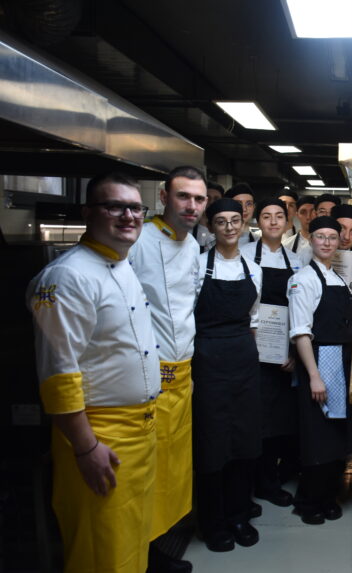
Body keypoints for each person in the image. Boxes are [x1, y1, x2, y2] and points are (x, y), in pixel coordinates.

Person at [28, 172, 161, 572]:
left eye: (135, 207)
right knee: (100, 550)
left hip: (139, 432)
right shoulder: (68, 276)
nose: (128, 216)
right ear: (88, 213)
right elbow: (59, 374)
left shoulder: (121, 265)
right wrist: (86, 448)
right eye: (114, 207)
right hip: (101, 435)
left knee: (130, 541)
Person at [129, 165, 208, 573]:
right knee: (145, 471)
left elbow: (187, 307)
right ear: (164, 197)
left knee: (173, 470)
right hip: (144, 376)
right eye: (183, 196)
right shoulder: (138, 240)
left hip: (182, 374)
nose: (191, 205)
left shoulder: (192, 246)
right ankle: (141, 554)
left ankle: (163, 545)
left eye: (198, 199)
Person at [192, 198, 263, 552]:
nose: (230, 227)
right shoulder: (197, 266)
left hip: (243, 359)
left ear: (243, 223)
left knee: (244, 440)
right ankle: (213, 521)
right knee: (213, 441)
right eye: (221, 221)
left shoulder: (254, 269)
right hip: (207, 359)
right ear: (210, 226)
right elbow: (186, 317)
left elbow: (254, 320)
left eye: (235, 220)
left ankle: (239, 515)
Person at [288, 216, 352, 524]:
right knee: (317, 436)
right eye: (320, 236)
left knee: (336, 434)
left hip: (342, 360)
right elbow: (300, 332)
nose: (326, 242)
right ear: (311, 240)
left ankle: (328, 496)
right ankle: (308, 502)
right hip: (320, 360)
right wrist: (314, 376)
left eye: (332, 237)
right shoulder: (303, 279)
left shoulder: (339, 279)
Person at [239, 198, 303, 511]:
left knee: (280, 421)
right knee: (255, 419)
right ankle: (254, 482)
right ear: (258, 222)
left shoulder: (297, 260)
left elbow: (301, 309)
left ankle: (270, 480)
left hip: (284, 353)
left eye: (279, 216)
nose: (274, 222)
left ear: (287, 222)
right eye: (267, 216)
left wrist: (294, 351)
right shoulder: (244, 255)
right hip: (251, 350)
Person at [192, 181, 223, 252]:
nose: (211, 202)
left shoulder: (226, 232)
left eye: (216, 199)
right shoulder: (187, 230)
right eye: (208, 198)